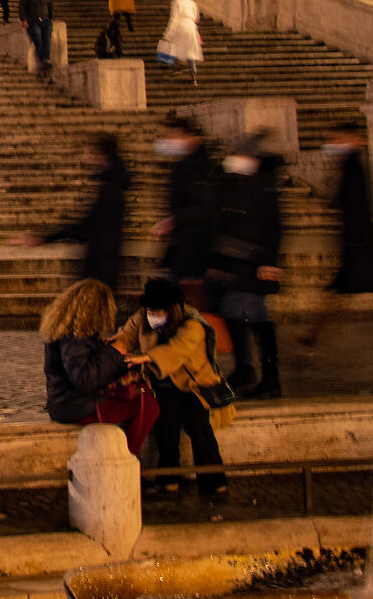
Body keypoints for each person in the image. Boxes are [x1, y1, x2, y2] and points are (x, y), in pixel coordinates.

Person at [295, 122, 373, 362]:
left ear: (353, 140)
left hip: (360, 243)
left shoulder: (353, 167)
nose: (333, 143)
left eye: (338, 138)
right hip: (358, 242)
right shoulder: (348, 165)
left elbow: (355, 206)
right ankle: (310, 335)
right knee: (364, 290)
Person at [114, 277, 233, 497]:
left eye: (159, 311)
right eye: (151, 310)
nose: (154, 315)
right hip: (162, 385)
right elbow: (124, 337)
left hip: (194, 386)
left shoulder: (193, 324)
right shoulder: (142, 317)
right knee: (165, 420)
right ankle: (168, 478)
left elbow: (177, 349)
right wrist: (111, 349)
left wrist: (147, 357)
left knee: (198, 424)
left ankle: (214, 481)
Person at [42, 278, 158, 457]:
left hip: (69, 403)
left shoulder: (74, 333)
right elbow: (85, 378)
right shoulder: (75, 337)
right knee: (147, 404)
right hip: (76, 406)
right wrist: (114, 352)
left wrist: (103, 350)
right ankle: (129, 457)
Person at [209, 133, 287, 399]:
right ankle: (252, 371)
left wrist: (269, 261)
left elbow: (273, 225)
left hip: (253, 265)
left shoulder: (263, 184)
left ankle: (267, 376)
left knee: (256, 320)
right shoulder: (239, 182)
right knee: (240, 315)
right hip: (238, 264)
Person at [151, 115, 224, 348]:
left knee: (189, 301)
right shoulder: (185, 165)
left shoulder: (203, 167)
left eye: (172, 136)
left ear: (189, 137)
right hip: (183, 246)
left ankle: (192, 347)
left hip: (196, 247)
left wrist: (173, 220)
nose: (167, 141)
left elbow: (206, 208)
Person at [28, 134, 129, 288]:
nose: (86, 156)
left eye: (89, 152)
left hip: (101, 259)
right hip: (105, 256)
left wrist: (48, 238)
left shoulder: (111, 187)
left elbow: (90, 223)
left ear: (101, 154)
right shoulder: (113, 181)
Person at [156, 0, 203, 80]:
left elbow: (174, 18)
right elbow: (196, 18)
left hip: (180, 27)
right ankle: (193, 76)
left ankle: (178, 66)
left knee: (176, 48)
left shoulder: (176, 1)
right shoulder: (192, 3)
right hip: (191, 27)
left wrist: (167, 33)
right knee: (191, 52)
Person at [18, 0, 55, 69]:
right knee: (37, 38)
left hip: (45, 19)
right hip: (33, 20)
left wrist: (51, 17)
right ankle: (44, 59)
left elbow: (50, 4)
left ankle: (46, 59)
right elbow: (22, 6)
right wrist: (24, 19)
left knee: (47, 39)